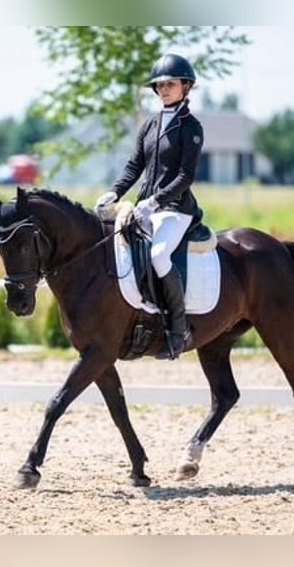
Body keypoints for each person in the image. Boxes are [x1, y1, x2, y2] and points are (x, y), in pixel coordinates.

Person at [94, 53, 205, 360]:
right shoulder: (151, 125)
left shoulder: (191, 127)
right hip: (145, 207)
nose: (164, 90)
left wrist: (156, 201)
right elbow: (134, 166)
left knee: (158, 255)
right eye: (159, 85)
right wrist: (114, 193)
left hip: (176, 209)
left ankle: (178, 329)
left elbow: (186, 176)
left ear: (186, 86)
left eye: (170, 84)